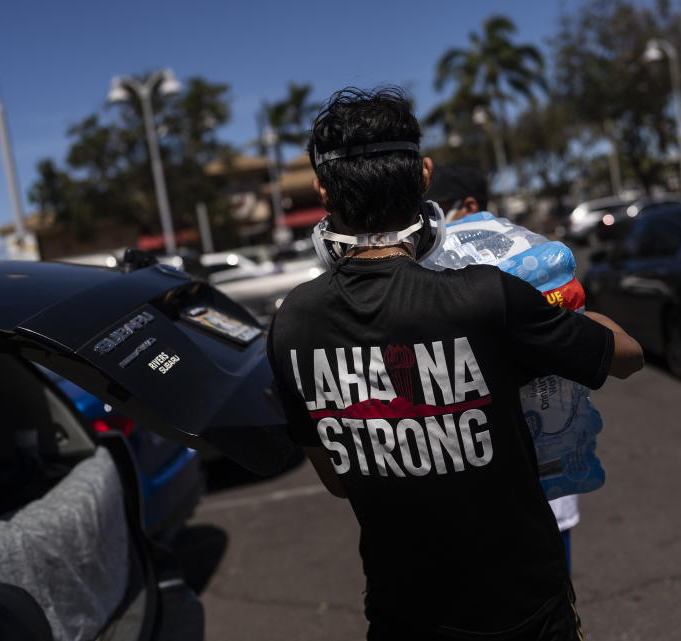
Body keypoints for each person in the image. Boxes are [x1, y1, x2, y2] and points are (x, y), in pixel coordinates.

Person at [266, 87, 643, 640]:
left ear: (322, 189)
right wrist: (558, 301)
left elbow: (340, 483)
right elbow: (627, 357)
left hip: (402, 616)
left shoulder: (293, 322)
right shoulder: (487, 296)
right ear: (423, 175)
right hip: (523, 613)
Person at [425, 165, 593, 576]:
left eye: (439, 212)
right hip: (479, 472)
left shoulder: (527, 257)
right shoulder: (436, 264)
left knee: (550, 579)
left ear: (469, 206)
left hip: (541, 462)